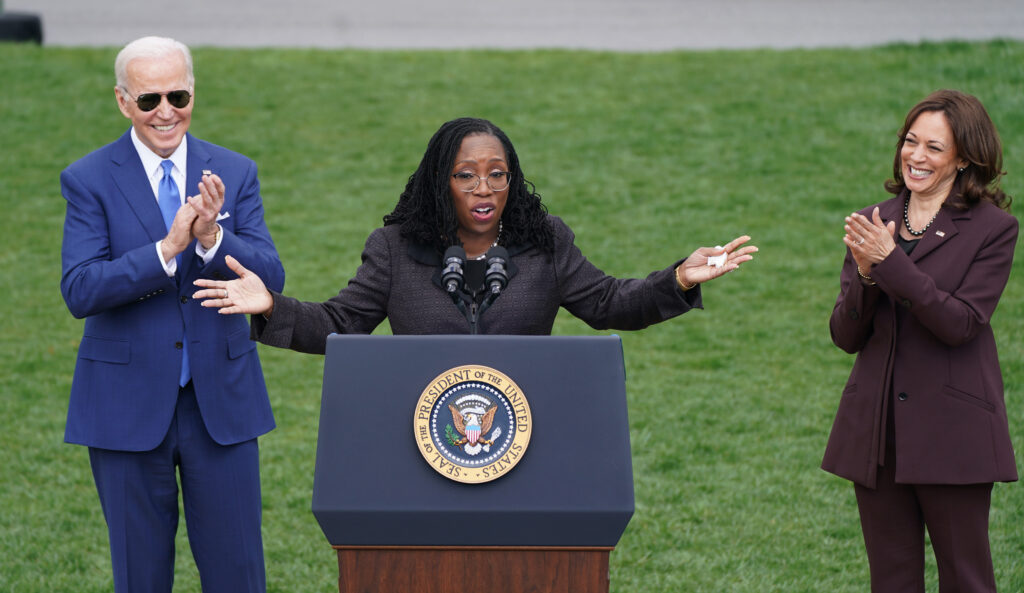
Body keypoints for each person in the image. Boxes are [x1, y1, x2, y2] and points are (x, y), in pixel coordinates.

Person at [193, 117, 755, 347]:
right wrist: (270, 306)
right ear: (442, 182)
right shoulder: (394, 249)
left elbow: (610, 303)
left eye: (496, 175)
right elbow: (342, 324)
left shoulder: (545, 242)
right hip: (423, 435)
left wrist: (679, 278)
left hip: (526, 431)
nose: (483, 189)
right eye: (466, 176)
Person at [59, 36, 285, 593]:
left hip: (221, 406)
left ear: (193, 94)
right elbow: (80, 288)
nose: (165, 111)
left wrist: (212, 237)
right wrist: (166, 251)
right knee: (140, 576)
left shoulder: (233, 170)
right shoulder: (88, 178)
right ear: (122, 101)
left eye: (178, 95)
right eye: (148, 99)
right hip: (125, 407)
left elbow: (271, 277)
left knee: (239, 575)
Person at [823, 90, 1017, 593]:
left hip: (954, 433)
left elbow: (960, 323)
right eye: (911, 142)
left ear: (964, 158)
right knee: (890, 580)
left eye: (934, 147)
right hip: (878, 434)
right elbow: (846, 336)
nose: (916, 156)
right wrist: (865, 276)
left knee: (967, 579)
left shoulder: (993, 230)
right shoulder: (873, 220)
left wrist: (890, 263)